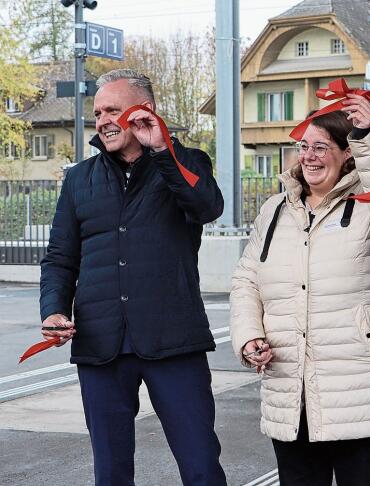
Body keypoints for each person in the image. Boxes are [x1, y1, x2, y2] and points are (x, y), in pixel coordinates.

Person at [39, 69, 226, 485]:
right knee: (111, 472)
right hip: (100, 345)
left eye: (114, 110)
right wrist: (53, 309)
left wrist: (163, 150)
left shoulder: (187, 161)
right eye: (98, 111)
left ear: (146, 111)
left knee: (200, 466)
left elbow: (207, 207)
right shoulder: (78, 179)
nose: (103, 119)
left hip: (173, 340)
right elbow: (60, 258)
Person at [229, 106, 370, 486]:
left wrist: (367, 137)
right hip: (292, 393)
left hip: (361, 392)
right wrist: (248, 337)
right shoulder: (274, 211)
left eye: (321, 147)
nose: (309, 156)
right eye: (303, 146)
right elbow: (247, 280)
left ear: (347, 153)